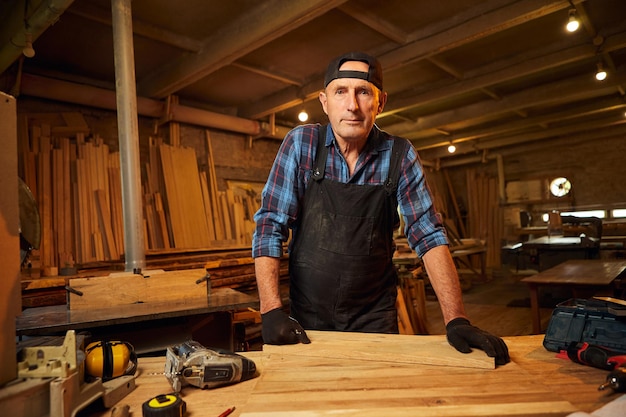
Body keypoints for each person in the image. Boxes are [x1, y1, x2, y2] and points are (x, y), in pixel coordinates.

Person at [252, 51, 510, 365]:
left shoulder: (399, 155)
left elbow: (428, 235)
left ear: (381, 102)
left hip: (374, 316)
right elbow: (269, 226)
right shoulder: (301, 144)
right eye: (341, 92)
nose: (352, 105)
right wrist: (271, 311)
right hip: (308, 314)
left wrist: (456, 319)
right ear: (324, 101)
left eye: (363, 92)